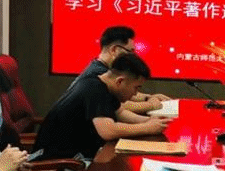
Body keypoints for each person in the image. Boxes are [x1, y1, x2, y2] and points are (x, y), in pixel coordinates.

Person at [34, 53, 170, 160]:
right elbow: (107, 131)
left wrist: (151, 121)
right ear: (120, 81)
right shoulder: (95, 89)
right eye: (136, 87)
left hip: (79, 156)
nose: (135, 93)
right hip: (59, 164)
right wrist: (147, 127)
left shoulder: (103, 85)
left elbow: (121, 114)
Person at [71, 25, 170, 113]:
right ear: (114, 50)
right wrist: (152, 105)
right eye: (129, 51)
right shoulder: (98, 76)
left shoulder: (99, 68)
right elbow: (118, 106)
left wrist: (148, 97)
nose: (132, 57)